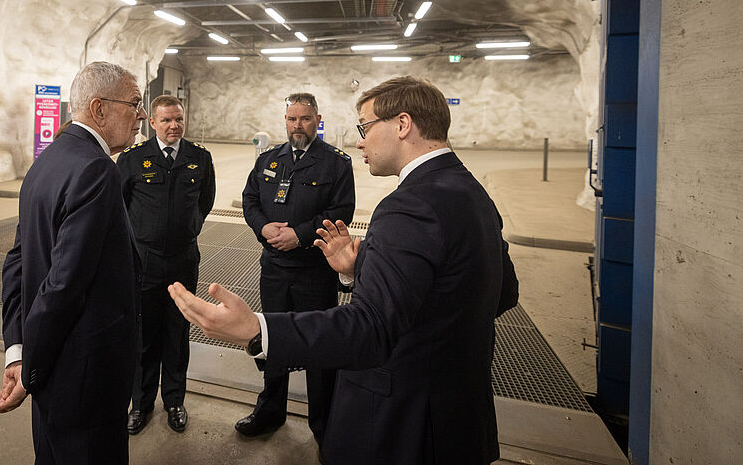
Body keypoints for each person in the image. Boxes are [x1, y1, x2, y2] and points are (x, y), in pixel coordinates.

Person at [169, 76, 519, 465]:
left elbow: (370, 329)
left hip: (408, 424)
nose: (360, 141)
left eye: (365, 127)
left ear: (402, 125)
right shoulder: (469, 191)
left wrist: (257, 329)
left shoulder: (408, 207)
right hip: (458, 415)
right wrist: (361, 269)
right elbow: (502, 292)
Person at [0, 61, 146, 465]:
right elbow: (64, 284)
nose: (141, 115)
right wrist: (28, 370)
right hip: (86, 376)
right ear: (100, 108)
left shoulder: (46, 161)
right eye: (135, 103)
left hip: (53, 372)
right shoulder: (97, 170)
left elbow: (17, 264)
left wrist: (18, 351)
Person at [237, 92, 355, 443]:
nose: (297, 125)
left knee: (320, 346)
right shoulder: (270, 159)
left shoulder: (336, 163)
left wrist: (300, 236)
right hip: (273, 268)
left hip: (314, 269)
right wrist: (262, 227)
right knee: (273, 340)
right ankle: (270, 410)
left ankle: (324, 423)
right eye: (291, 119)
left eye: (304, 119)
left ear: (317, 120)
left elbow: (341, 211)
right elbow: (250, 199)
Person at [117, 95, 216, 435]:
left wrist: (187, 229)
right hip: (143, 261)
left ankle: (174, 401)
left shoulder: (199, 158)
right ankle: (140, 405)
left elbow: (205, 202)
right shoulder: (133, 159)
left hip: (182, 260)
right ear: (153, 124)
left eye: (178, 119)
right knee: (143, 335)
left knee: (177, 333)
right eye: (166, 121)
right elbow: (119, 204)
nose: (174, 126)